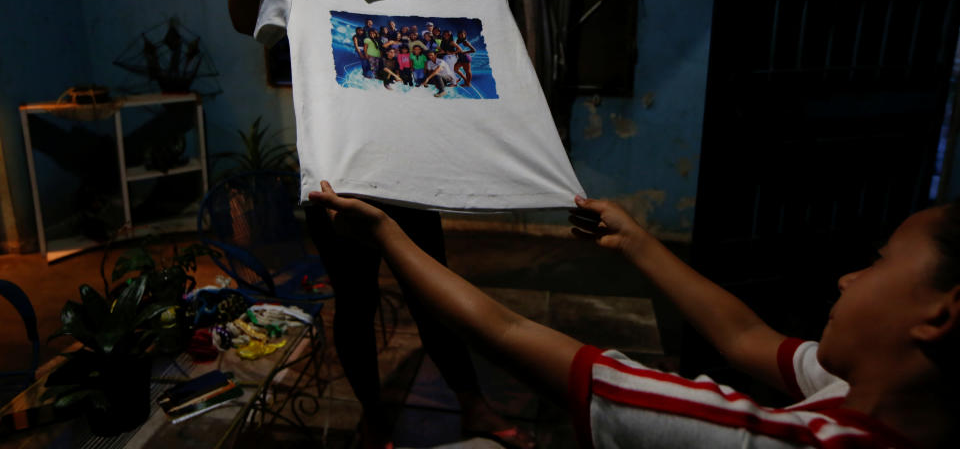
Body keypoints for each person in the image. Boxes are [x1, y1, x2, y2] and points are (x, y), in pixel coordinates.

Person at [311, 180, 960, 449]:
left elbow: (509, 333)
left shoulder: (762, 441)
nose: (849, 276)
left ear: (940, 313)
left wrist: (391, 239)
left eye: (878, 261)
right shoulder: (866, 393)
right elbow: (745, 336)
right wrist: (639, 244)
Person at [216, 0, 527, 449]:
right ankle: (382, 416)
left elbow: (478, 52)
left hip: (408, 177)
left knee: (424, 295)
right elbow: (248, 22)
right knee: (359, 301)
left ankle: (455, 407)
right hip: (339, 183)